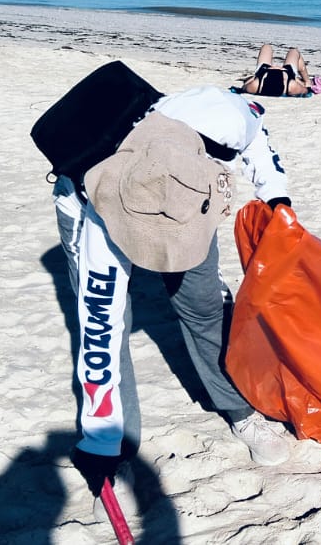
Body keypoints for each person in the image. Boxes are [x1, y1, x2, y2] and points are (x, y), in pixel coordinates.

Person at [53, 84, 295, 509]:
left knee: (203, 306)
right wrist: (101, 445)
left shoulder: (225, 124)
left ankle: (239, 412)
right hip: (104, 203)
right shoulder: (99, 191)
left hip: (187, 200)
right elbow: (99, 333)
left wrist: (275, 195)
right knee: (109, 322)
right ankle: (115, 448)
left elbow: (256, 135)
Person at [239, 43, 312, 97]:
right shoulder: (291, 86)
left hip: (266, 72)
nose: (276, 67)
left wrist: (254, 77)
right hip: (269, 72)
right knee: (294, 51)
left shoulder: (255, 85)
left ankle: (306, 80)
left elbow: (244, 87)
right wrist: (302, 82)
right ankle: (307, 80)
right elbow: (306, 90)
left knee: (266, 46)